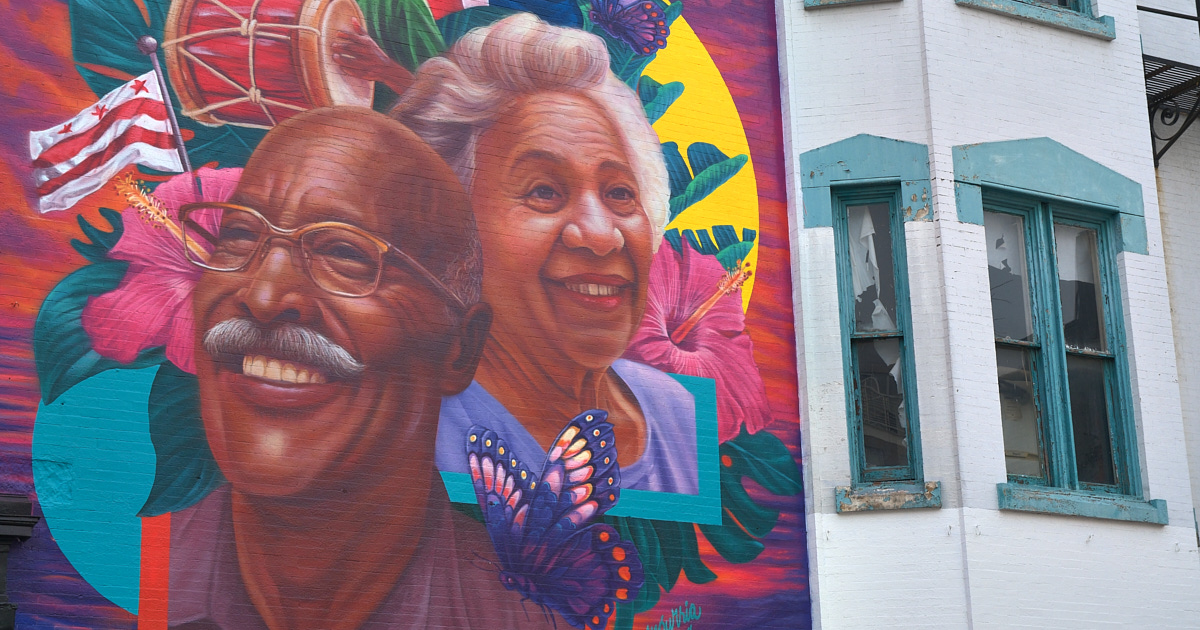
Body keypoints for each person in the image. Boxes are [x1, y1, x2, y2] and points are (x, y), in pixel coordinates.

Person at [173, 106, 554, 630]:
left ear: (459, 349)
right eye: (239, 236)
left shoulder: (516, 617)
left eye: (343, 253)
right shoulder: (128, 575)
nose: (262, 295)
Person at [394, 13, 699, 495]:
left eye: (620, 193)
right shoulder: (411, 433)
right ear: (448, 231)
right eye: (543, 191)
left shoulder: (678, 413)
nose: (602, 236)